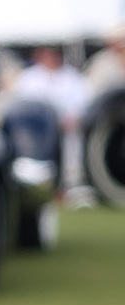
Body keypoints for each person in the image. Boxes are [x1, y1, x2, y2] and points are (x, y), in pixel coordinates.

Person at [11, 46, 92, 197]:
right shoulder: (29, 77)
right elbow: (21, 105)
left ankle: (68, 186)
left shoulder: (73, 77)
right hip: (37, 134)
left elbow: (83, 103)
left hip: (67, 130)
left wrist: (72, 118)